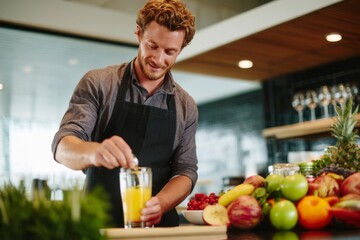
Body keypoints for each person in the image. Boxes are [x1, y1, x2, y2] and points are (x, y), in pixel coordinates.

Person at [51, 0, 198, 228]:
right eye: (152, 46)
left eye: (170, 52)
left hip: (158, 230)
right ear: (139, 34)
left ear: (181, 49)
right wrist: (94, 152)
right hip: (99, 225)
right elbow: (62, 147)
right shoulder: (99, 83)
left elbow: (185, 171)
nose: (159, 59)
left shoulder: (185, 105)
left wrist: (162, 203)